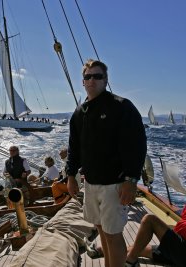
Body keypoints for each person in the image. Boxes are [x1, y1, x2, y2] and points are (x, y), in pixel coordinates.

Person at [66, 59, 147, 267]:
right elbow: (74, 147)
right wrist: (70, 176)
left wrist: (131, 180)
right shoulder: (79, 113)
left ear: (105, 80)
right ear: (83, 81)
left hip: (115, 184)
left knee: (113, 235)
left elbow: (136, 145)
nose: (92, 80)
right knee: (100, 228)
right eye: (87, 76)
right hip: (91, 184)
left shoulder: (121, 107)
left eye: (97, 76)